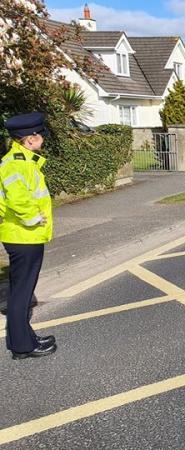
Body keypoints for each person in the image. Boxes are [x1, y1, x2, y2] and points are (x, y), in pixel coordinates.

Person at [1, 112, 56, 360]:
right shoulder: (15, 163)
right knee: (22, 294)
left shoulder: (22, 160)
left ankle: (24, 338)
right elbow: (17, 199)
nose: (43, 138)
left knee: (20, 291)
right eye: (40, 134)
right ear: (30, 139)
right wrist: (33, 218)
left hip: (25, 235)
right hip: (23, 236)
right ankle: (23, 347)